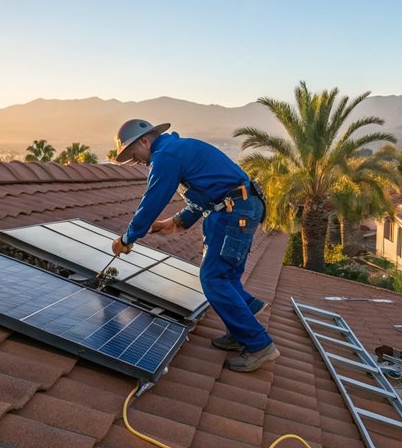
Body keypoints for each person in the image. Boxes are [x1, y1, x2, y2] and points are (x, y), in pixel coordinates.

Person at [110, 119, 279, 372]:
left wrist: (128, 238)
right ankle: (243, 322)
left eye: (134, 155)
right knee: (227, 276)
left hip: (233, 212)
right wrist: (177, 221)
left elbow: (152, 200)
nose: (137, 162)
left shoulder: (165, 156)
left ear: (145, 141)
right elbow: (206, 194)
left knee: (213, 279)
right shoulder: (178, 149)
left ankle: (259, 345)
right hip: (238, 208)